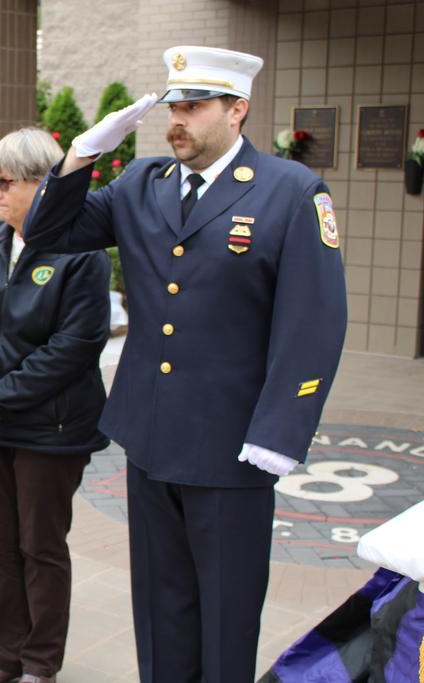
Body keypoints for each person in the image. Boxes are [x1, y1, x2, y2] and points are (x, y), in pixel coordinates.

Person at [24, 47, 348, 682]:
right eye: (174, 106)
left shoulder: (292, 191)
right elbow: (47, 234)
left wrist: (281, 433)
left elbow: (314, 322)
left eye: (194, 107)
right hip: (150, 439)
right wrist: (80, 157)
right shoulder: (141, 184)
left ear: (237, 110)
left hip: (233, 447)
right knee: (159, 606)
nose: (178, 120)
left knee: (226, 618)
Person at [0, 128, 110, 683]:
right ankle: (6, 655)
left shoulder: (81, 252)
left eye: (6, 182)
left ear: (45, 187)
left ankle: (41, 665)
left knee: (39, 546)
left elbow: (75, 348)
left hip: (49, 425)